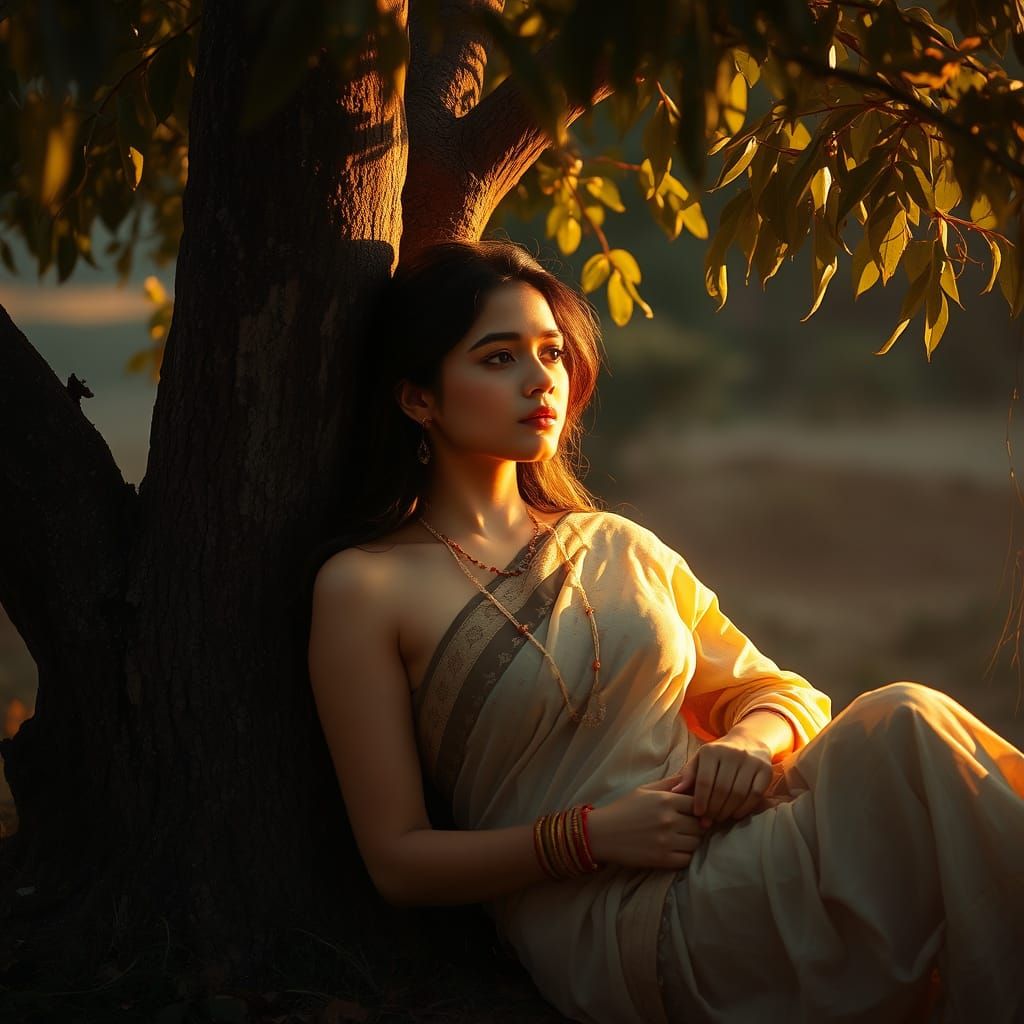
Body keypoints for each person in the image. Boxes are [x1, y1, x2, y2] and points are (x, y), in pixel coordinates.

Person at [304, 238, 1024, 1024]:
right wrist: (589, 836)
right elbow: (398, 860)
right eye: (498, 358)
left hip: (735, 852)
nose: (541, 379)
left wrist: (748, 747)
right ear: (420, 399)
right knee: (914, 737)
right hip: (616, 922)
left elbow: (779, 693)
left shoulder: (615, 543)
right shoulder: (364, 588)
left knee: (904, 719)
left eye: (550, 352)